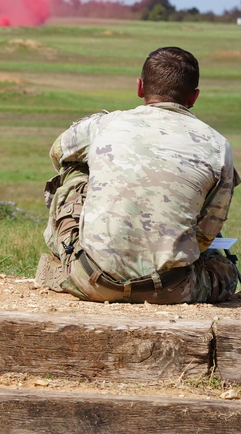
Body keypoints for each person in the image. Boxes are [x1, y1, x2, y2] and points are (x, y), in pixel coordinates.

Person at [36, 46, 238, 304]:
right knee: (226, 272)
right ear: (194, 97)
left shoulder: (104, 125)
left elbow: (58, 153)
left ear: (140, 87)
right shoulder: (218, 146)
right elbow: (206, 234)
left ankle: (64, 260)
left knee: (75, 167)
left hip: (91, 280)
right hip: (171, 291)